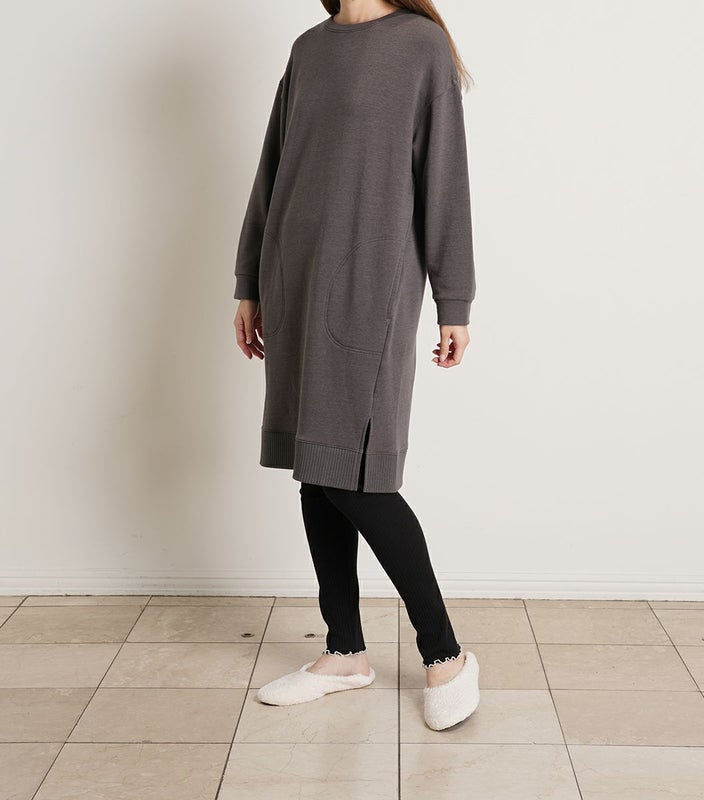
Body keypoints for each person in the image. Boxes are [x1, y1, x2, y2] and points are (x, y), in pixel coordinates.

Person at [232, 0, 479, 731]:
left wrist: (454, 300)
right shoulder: (308, 49)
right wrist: (249, 282)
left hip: (372, 285)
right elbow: (272, 170)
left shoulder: (420, 48)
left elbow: (446, 180)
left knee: (357, 475)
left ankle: (446, 654)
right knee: (318, 465)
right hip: (294, 275)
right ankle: (344, 651)